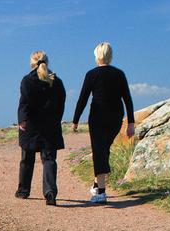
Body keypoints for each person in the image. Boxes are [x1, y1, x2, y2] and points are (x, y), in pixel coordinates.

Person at [72, 42, 135, 204]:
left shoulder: (91, 74)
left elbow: (83, 99)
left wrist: (75, 120)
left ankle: (101, 193)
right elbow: (127, 98)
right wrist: (130, 123)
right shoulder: (119, 74)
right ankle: (96, 184)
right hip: (115, 118)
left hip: (98, 118)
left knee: (99, 151)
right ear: (110, 56)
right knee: (103, 150)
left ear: (96, 56)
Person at [16, 50, 66, 205]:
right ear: (47, 62)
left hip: (31, 125)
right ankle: (50, 192)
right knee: (49, 159)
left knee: (27, 159)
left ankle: (23, 191)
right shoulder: (56, 81)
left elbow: (24, 102)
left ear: (32, 62)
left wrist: (22, 120)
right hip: (50, 126)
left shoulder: (27, 80)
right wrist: (57, 120)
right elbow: (61, 103)